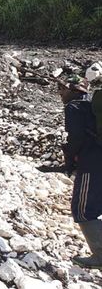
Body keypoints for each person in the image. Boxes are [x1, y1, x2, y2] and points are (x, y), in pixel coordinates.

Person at [58, 75, 102, 269]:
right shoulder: (92, 107)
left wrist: (69, 158)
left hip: (91, 165)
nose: (59, 92)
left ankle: (100, 257)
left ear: (74, 90)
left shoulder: (74, 108)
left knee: (83, 210)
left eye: (62, 88)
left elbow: (75, 139)